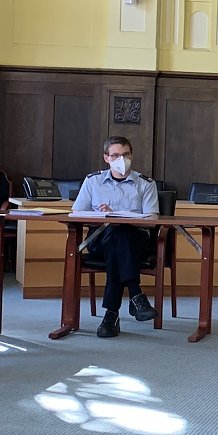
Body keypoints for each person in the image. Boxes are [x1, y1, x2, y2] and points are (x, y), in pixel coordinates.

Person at [73, 136, 160, 338]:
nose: (122, 159)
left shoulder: (145, 183)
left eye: (126, 154)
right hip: (99, 240)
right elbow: (77, 214)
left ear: (132, 155)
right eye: (115, 155)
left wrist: (120, 218)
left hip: (136, 241)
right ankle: (135, 294)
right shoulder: (93, 181)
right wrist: (102, 216)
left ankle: (111, 315)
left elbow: (152, 220)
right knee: (117, 237)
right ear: (106, 158)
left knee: (120, 237)